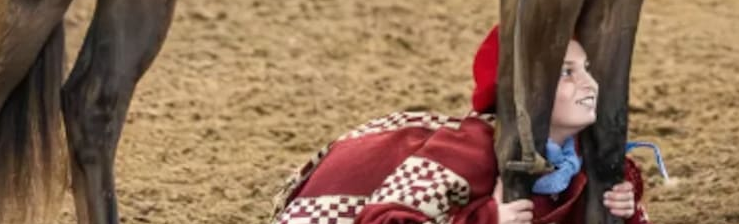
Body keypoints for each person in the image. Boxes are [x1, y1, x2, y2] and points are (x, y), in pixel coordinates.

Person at [270, 26, 653, 223]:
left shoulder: (582, 159)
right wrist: (489, 219)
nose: (589, 84)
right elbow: (386, 219)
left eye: (587, 69)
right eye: (567, 73)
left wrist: (624, 208)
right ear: (524, 92)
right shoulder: (469, 151)